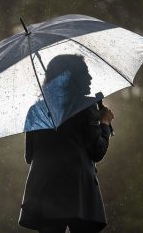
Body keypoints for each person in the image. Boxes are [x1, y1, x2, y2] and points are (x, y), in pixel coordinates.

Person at [18, 54, 114, 233]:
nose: (90, 77)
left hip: (45, 194)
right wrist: (105, 124)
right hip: (79, 194)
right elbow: (97, 151)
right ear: (72, 77)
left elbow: (29, 156)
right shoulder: (85, 107)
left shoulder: (36, 110)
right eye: (85, 73)